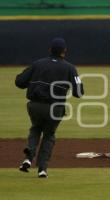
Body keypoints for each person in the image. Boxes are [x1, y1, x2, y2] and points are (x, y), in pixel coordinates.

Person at [15, 37, 84, 177]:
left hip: (34, 106)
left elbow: (19, 82)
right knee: (49, 135)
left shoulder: (37, 64)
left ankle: (28, 157)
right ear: (65, 51)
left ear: (50, 50)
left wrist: (35, 83)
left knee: (35, 129)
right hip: (55, 109)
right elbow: (79, 92)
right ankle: (42, 169)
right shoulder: (70, 68)